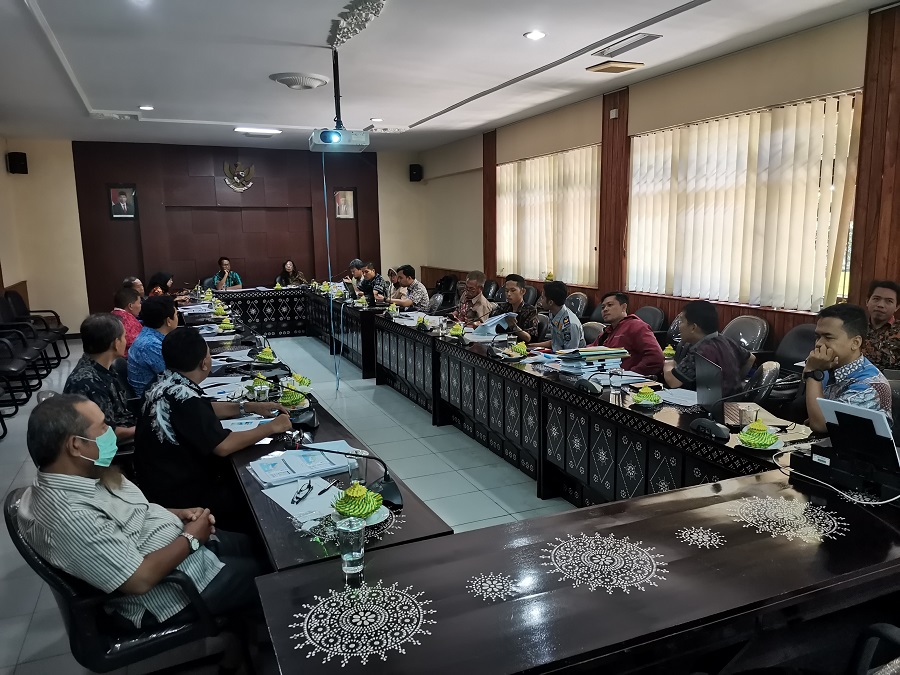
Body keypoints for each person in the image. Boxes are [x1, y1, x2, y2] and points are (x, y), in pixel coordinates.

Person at [17, 394, 262, 630]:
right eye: (102, 428)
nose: (110, 433)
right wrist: (191, 539)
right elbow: (140, 580)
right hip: (171, 592)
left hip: (180, 548)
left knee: (257, 545)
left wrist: (176, 514)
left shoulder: (80, 472)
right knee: (268, 573)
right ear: (75, 445)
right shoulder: (70, 516)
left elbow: (127, 515)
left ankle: (248, 626)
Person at [135, 327, 292, 531]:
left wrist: (247, 407)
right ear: (204, 363)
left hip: (156, 482)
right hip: (182, 495)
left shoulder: (163, 381)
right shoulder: (185, 397)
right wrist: (272, 426)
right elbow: (223, 446)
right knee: (255, 494)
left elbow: (201, 409)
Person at [803, 303, 893, 433]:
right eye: (818, 337)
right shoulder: (827, 365)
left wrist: (813, 373)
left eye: (828, 337)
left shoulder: (870, 387)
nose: (819, 344)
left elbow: (821, 425)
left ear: (855, 343)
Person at [63, 314, 136, 441]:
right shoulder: (89, 383)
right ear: (116, 343)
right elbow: (105, 434)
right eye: (124, 337)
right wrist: (143, 428)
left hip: (126, 422)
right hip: (114, 445)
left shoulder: (100, 366)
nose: (126, 340)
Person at [663, 300, 755, 397]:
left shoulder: (700, 351)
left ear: (693, 327)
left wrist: (668, 364)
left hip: (712, 404)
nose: (679, 326)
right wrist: (735, 380)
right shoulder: (726, 340)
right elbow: (751, 358)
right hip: (734, 400)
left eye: (682, 321)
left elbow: (673, 382)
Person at [589, 292, 664, 376]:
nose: (605, 309)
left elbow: (656, 358)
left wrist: (630, 374)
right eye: (603, 307)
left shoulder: (636, 326)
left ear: (623, 307)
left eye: (610, 305)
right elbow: (591, 350)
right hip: (603, 375)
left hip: (625, 379)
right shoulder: (607, 331)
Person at [128, 295, 179, 397]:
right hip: (153, 400)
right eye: (176, 314)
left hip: (161, 392)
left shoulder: (150, 334)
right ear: (168, 321)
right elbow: (176, 377)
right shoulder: (150, 346)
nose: (177, 318)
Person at [531, 281, 585, 351]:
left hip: (568, 356)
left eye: (542, 298)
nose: (540, 301)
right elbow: (555, 343)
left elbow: (570, 353)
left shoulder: (570, 325)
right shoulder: (553, 313)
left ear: (550, 302)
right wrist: (531, 346)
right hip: (556, 354)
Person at [491, 274, 539, 343]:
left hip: (520, 346)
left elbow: (528, 338)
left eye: (513, 290)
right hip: (499, 343)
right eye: (506, 291)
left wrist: (514, 326)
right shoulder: (503, 307)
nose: (509, 294)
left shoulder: (530, 310)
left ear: (523, 291)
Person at [863, 280, 900, 371]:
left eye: (889, 301)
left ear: (897, 307)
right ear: (867, 301)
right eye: (876, 299)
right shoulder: (854, 328)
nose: (880, 305)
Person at [111, 287, 143, 356]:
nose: (141, 306)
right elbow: (138, 343)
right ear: (130, 306)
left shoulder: (112, 314)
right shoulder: (128, 320)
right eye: (139, 303)